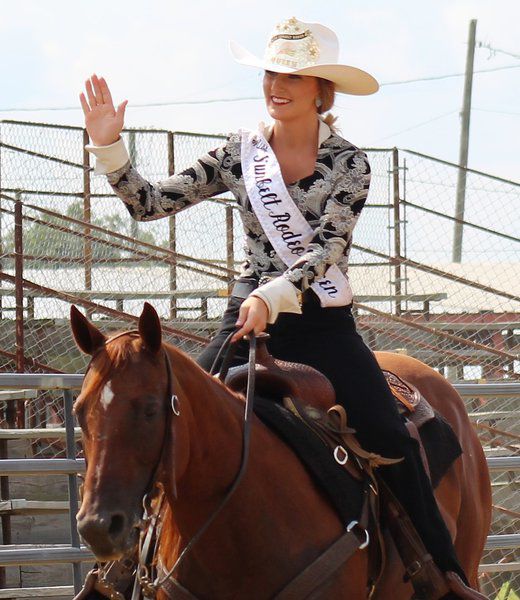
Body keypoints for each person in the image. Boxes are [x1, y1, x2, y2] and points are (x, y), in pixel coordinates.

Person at [80, 17, 486, 599]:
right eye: (272, 71)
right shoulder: (239, 152)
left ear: (322, 89)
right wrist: (109, 146)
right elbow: (148, 204)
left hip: (321, 324)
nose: (278, 84)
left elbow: (329, 248)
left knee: (388, 436)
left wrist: (277, 294)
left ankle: (443, 574)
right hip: (246, 318)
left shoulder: (350, 164)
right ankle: (128, 563)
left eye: (293, 75)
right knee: (174, 420)